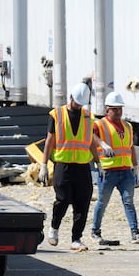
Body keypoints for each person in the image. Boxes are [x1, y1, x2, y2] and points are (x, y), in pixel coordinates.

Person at [43, 80, 95, 252]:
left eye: (82, 104)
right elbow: (49, 140)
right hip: (63, 165)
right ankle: (54, 228)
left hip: (82, 166)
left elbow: (91, 141)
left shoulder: (88, 116)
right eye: (77, 103)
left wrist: (99, 162)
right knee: (63, 199)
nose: (79, 106)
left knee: (83, 202)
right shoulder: (56, 114)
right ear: (71, 97)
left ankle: (76, 238)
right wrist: (43, 164)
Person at [90, 91, 139, 245]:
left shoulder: (127, 126)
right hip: (108, 171)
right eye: (114, 109)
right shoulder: (100, 124)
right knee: (102, 202)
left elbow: (130, 147)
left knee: (129, 201)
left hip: (125, 170)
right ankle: (95, 231)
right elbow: (90, 136)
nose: (118, 112)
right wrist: (102, 143)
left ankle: (135, 232)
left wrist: (135, 166)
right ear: (107, 109)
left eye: (120, 108)